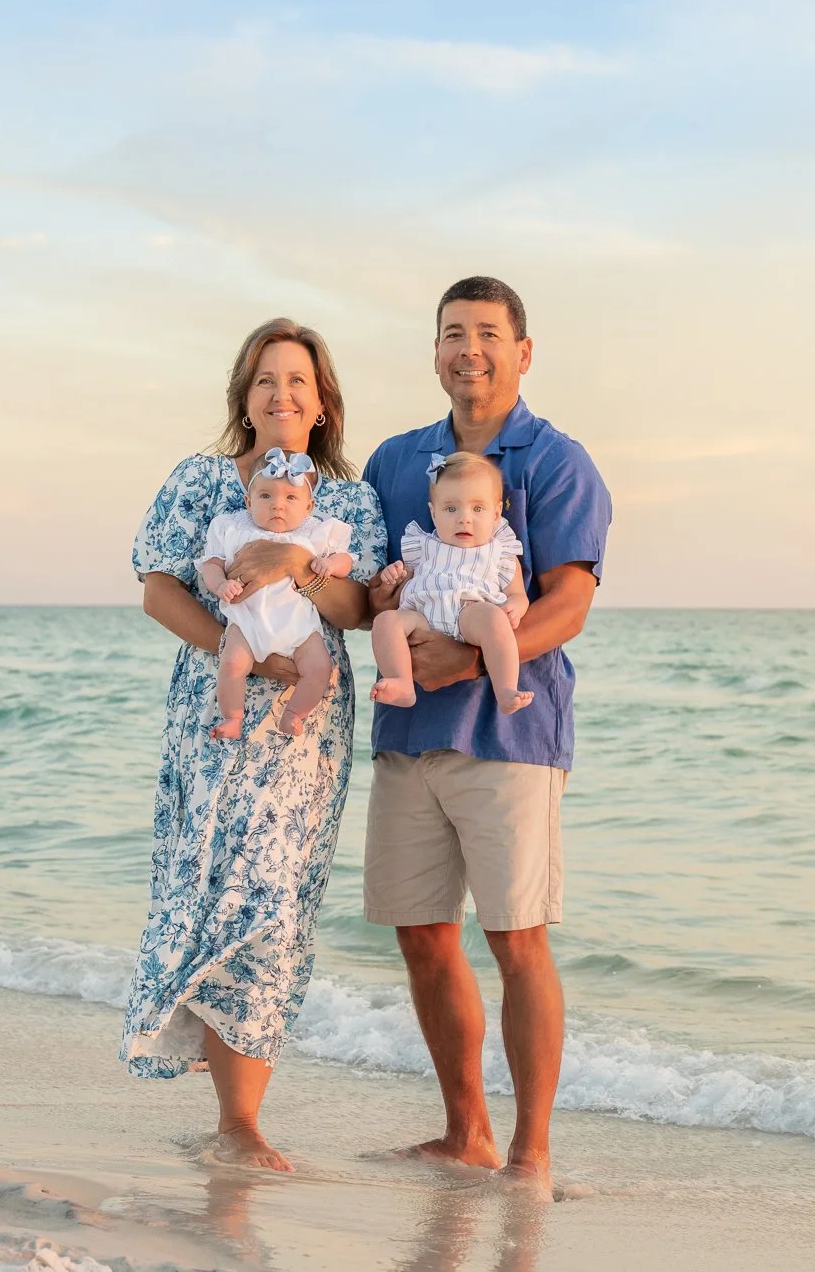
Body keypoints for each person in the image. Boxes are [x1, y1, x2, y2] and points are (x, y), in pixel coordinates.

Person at [362, 275, 612, 1194]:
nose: (470, 349)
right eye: (453, 333)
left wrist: (469, 661)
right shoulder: (395, 461)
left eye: (489, 334)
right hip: (406, 734)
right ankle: (465, 1132)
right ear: (434, 352)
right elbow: (364, 581)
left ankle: (531, 1153)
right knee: (424, 937)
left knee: (517, 939)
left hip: (512, 737)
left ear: (523, 352)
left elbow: (569, 603)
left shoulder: (557, 461)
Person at [123, 318, 386, 1172]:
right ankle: (224, 1100)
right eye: (266, 379)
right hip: (215, 710)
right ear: (244, 397)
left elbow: (360, 610)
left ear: (321, 404)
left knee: (274, 898)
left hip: (303, 729)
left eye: (298, 381)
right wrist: (235, 651)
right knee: (208, 887)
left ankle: (241, 1121)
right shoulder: (200, 481)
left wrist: (294, 565)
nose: (282, 394)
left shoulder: (349, 502)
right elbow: (158, 588)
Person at [198, 448, 355, 739]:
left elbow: (346, 560)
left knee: (320, 667)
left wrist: (331, 564)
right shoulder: (233, 528)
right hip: (247, 622)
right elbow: (211, 564)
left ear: (309, 506)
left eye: (290, 498)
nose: (277, 506)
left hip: (298, 625)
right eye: (265, 496)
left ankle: (294, 713)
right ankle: (232, 717)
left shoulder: (315, 533)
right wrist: (220, 585)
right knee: (232, 664)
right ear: (249, 501)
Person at [370, 451, 532, 714]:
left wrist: (516, 606)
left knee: (494, 620)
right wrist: (394, 574)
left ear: (496, 514)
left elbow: (517, 593)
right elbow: (406, 575)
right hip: (422, 615)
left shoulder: (499, 551)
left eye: (477, 508)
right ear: (433, 513)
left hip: (468, 614)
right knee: (386, 622)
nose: (464, 518)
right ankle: (401, 682)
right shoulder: (422, 544)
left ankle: (505, 689)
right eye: (451, 508)